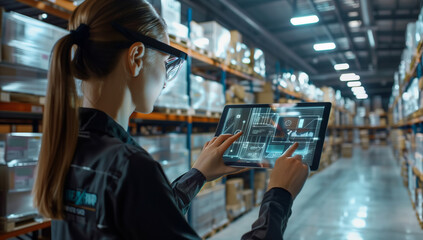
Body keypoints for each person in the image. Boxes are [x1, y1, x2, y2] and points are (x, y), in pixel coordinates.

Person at [32, 0, 310, 239]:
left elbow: (143, 219)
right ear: (136, 57)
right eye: (167, 63)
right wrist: (279, 195)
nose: (166, 79)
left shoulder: (65, 145)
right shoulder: (130, 166)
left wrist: (197, 175)